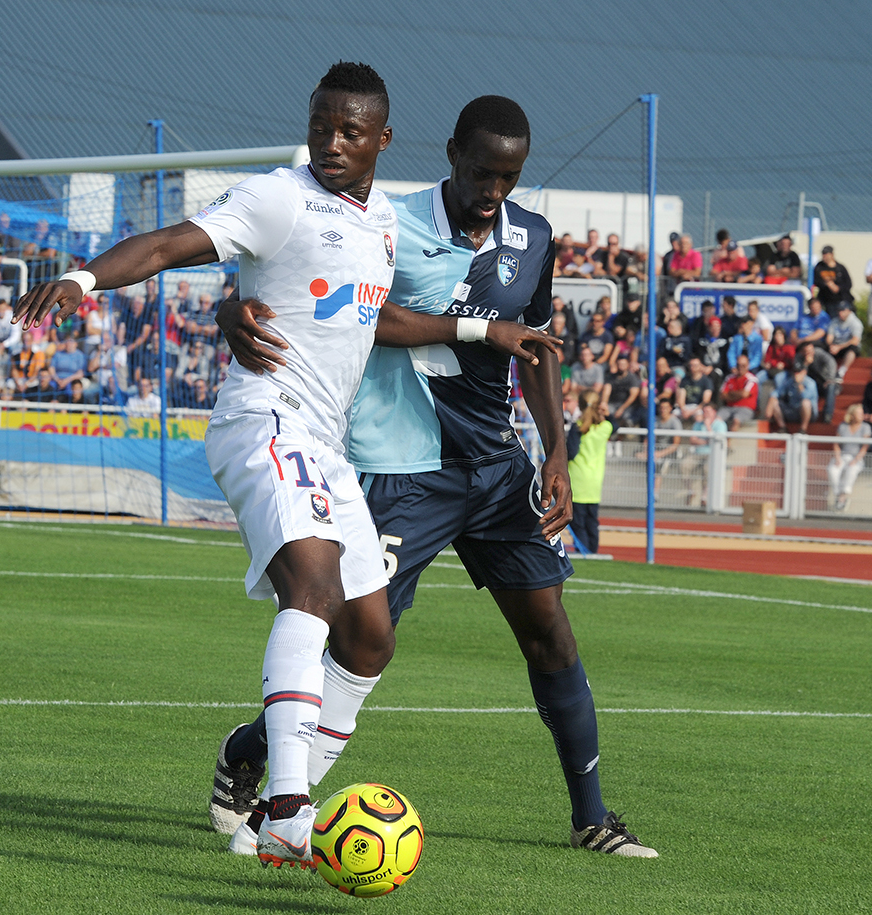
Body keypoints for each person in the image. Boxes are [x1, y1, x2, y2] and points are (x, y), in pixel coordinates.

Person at [14, 70, 560, 868]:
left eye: (348, 131)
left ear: (382, 140)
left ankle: (267, 815)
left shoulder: (380, 221)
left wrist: (481, 332)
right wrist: (84, 276)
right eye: (320, 126)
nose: (330, 143)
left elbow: (379, 318)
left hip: (326, 443)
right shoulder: (279, 196)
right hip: (264, 419)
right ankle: (292, 811)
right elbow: (171, 244)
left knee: (370, 638)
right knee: (313, 585)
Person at [216, 93, 654, 857]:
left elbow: (538, 346)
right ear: (452, 153)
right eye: (482, 171)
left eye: (508, 177)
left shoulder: (533, 238)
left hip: (494, 466)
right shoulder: (391, 220)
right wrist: (233, 305)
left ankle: (592, 817)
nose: (493, 190)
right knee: (358, 640)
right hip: (397, 468)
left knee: (549, 630)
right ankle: (253, 751)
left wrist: (553, 450)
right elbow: (354, 309)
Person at [567, 390, 615, 552]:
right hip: (594, 482)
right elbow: (615, 425)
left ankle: (583, 551)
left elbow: (571, 453)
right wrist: (607, 413)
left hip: (577, 479)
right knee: (592, 521)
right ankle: (593, 552)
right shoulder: (604, 428)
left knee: (578, 522)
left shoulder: (578, 427)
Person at [827, 403, 870, 510]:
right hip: (842, 456)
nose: (861, 415)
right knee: (832, 469)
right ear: (852, 415)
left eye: (862, 413)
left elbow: (864, 447)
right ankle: (838, 494)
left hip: (856, 458)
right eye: (859, 413)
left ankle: (843, 497)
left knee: (852, 470)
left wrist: (855, 460)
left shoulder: (866, 427)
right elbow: (836, 444)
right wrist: (837, 458)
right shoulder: (843, 426)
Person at [766, 362, 817, 434]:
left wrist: (799, 385)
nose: (796, 374)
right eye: (795, 372)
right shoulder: (790, 381)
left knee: (806, 403)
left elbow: (805, 397)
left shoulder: (810, 383)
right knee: (774, 401)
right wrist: (772, 398)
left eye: (798, 372)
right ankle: (783, 428)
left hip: (807, 414)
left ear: (804, 372)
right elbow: (778, 392)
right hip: (792, 411)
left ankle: (803, 429)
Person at [716, 353, 759, 430]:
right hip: (729, 407)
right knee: (717, 419)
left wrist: (730, 393)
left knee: (736, 420)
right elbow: (722, 395)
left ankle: (728, 441)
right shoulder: (729, 378)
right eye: (738, 365)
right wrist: (738, 394)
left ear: (748, 366)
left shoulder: (752, 379)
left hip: (745, 408)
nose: (740, 368)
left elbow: (744, 394)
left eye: (743, 365)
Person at [602, 353, 644, 428]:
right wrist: (604, 403)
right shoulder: (610, 377)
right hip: (612, 404)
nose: (621, 366)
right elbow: (606, 391)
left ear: (627, 365)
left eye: (623, 364)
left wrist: (621, 409)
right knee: (605, 413)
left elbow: (633, 395)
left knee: (627, 417)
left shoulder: (632, 378)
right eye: (619, 364)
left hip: (627, 406)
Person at [826, 301, 863, 380]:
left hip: (846, 346)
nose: (840, 313)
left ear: (849, 311)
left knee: (853, 347)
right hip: (835, 346)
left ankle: (841, 371)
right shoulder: (834, 321)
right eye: (839, 310)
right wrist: (831, 346)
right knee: (822, 347)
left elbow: (855, 340)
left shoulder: (855, 323)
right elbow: (829, 338)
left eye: (843, 310)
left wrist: (839, 347)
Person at [812, 246, 852, 314]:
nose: (824, 256)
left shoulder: (840, 268)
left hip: (840, 299)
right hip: (826, 299)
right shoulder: (819, 266)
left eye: (826, 254)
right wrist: (827, 284)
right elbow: (816, 280)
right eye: (823, 254)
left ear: (832, 255)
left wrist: (838, 288)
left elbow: (848, 284)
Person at [676, 356, 713, 422]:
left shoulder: (707, 381)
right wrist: (683, 410)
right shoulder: (684, 380)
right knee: (673, 416)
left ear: (700, 366)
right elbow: (681, 398)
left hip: (698, 407)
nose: (692, 368)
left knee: (699, 418)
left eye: (695, 365)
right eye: (691, 365)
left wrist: (691, 412)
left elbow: (705, 401)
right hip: (685, 407)